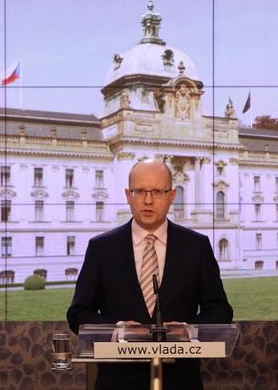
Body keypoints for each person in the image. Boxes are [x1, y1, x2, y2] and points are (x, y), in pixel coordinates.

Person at [67, 160, 233, 390]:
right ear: (128, 195)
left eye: (157, 191)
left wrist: (188, 329)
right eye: (139, 191)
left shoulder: (196, 246)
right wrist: (118, 329)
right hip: (118, 382)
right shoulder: (102, 248)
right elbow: (77, 313)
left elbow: (220, 311)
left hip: (180, 381)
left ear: (172, 195)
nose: (147, 200)